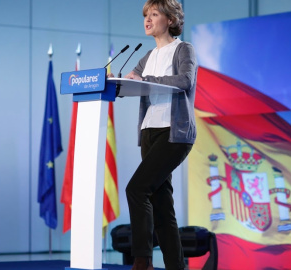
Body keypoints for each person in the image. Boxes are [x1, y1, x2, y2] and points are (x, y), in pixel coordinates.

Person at [122, 0, 198, 269]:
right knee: (162, 205)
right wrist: (107, 81)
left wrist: (147, 80)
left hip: (174, 132)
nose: (148, 19)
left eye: (154, 14)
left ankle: (142, 260)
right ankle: (176, 266)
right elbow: (133, 81)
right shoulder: (148, 57)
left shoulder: (183, 49)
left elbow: (185, 81)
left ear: (170, 19)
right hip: (149, 131)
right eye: (146, 15)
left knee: (137, 189)